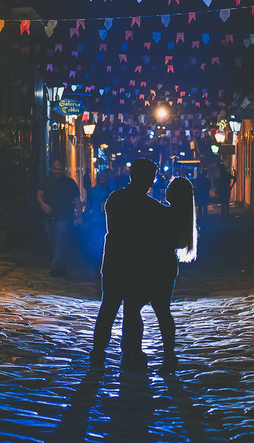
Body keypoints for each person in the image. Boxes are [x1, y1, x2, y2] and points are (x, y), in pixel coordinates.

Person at [92, 158, 168, 371]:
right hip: (138, 264)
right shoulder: (151, 207)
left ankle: (97, 353)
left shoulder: (115, 199)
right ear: (148, 179)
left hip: (114, 261)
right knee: (132, 311)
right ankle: (131, 353)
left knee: (108, 309)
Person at [151, 175, 198, 372]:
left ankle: (168, 355)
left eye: (170, 187)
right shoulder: (181, 215)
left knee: (161, 310)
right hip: (168, 264)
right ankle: (169, 354)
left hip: (158, 263)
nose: (166, 189)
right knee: (163, 310)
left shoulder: (166, 214)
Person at [38, 160, 81, 277]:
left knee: (59, 241)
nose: (57, 172)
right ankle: (61, 265)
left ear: (64, 170)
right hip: (49, 216)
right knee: (53, 241)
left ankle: (56, 268)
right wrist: (43, 204)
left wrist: (79, 216)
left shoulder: (70, 183)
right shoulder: (47, 181)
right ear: (52, 169)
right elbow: (40, 193)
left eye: (59, 169)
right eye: (55, 169)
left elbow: (77, 199)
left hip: (64, 216)